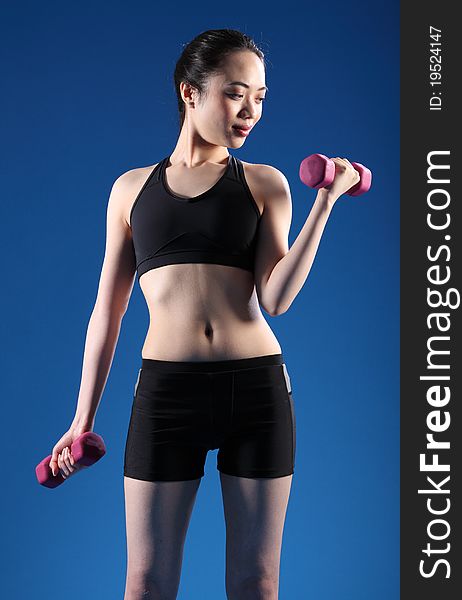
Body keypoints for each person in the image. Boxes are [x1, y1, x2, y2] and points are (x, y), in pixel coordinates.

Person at [49, 28, 360, 600]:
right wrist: (80, 419)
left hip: (256, 389)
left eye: (261, 97)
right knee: (146, 582)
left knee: (255, 581)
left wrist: (324, 203)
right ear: (190, 91)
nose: (251, 112)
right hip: (167, 393)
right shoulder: (131, 191)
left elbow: (277, 299)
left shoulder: (265, 183)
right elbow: (106, 313)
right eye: (236, 93)